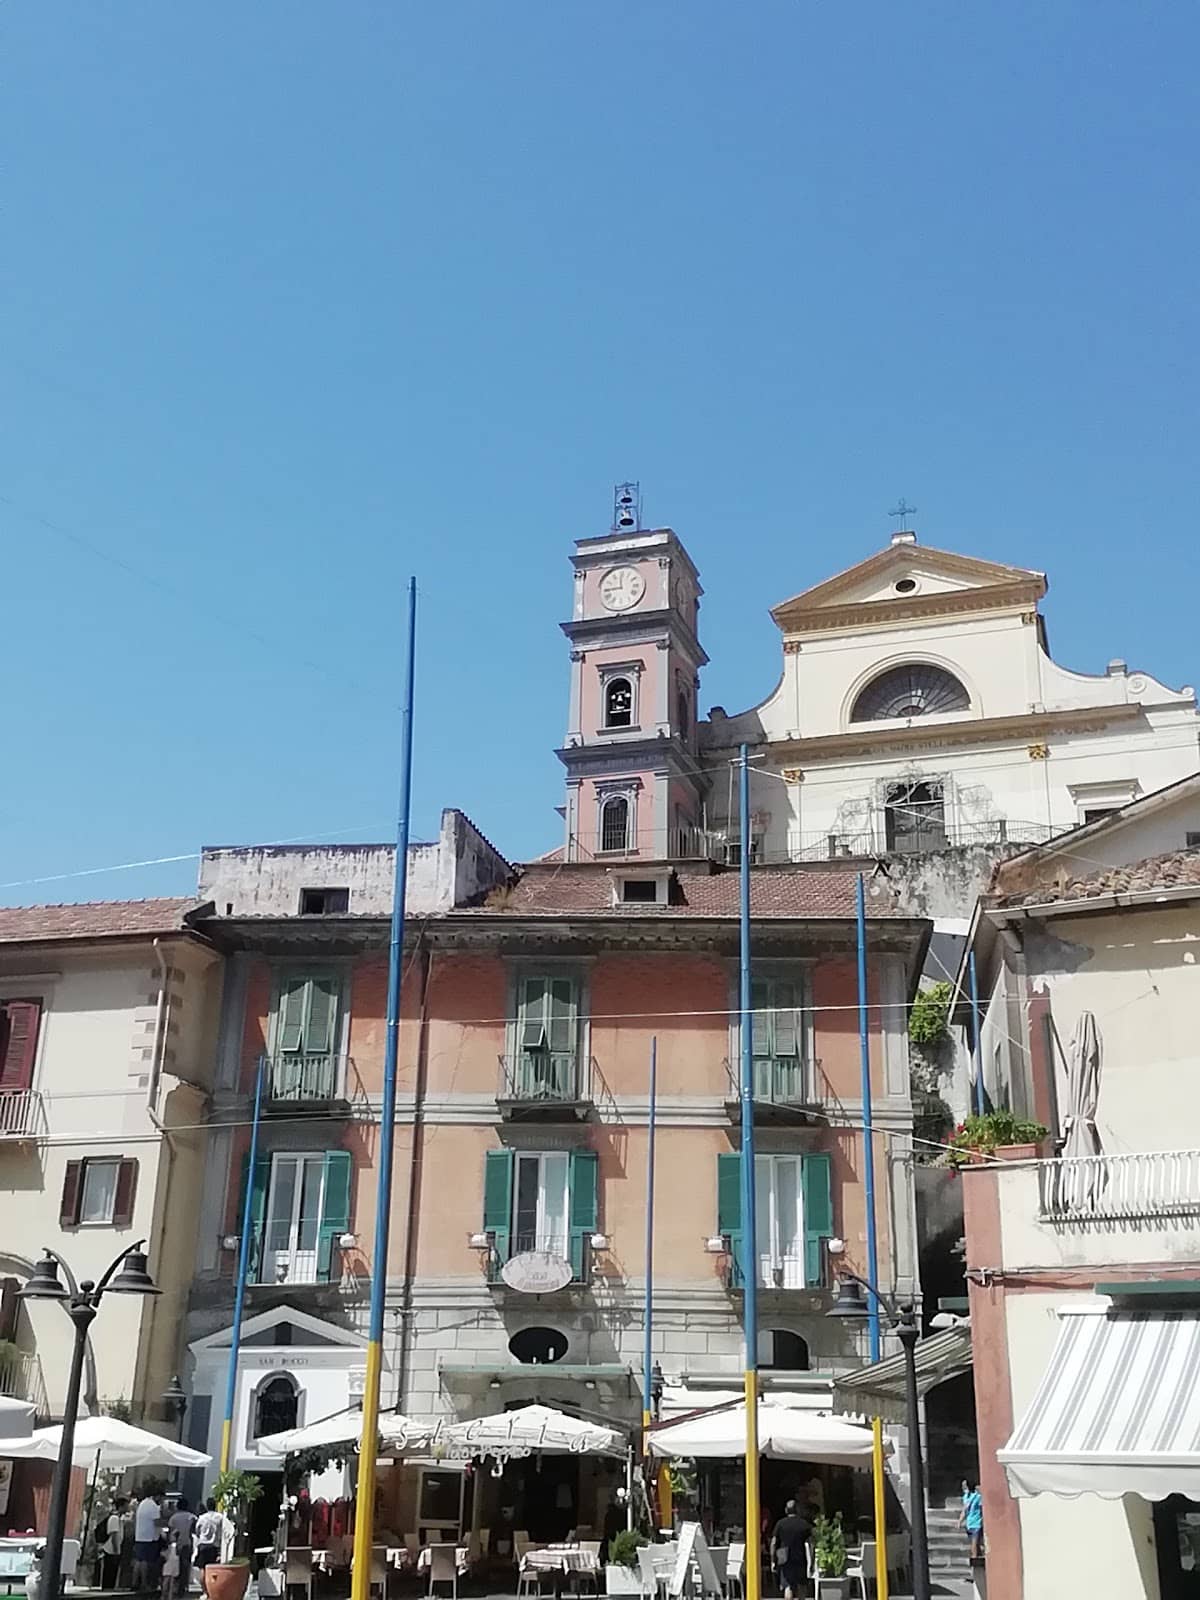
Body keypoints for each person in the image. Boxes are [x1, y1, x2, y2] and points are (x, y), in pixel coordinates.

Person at [771, 1499, 811, 1600]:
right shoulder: (804, 1524)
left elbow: (774, 1542)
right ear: (797, 1509)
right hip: (800, 1558)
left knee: (788, 1586)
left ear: (786, 1510)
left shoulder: (780, 1524)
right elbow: (811, 1544)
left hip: (785, 1558)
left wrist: (773, 1560)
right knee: (801, 1585)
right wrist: (812, 1561)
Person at [133, 1489, 164, 1593]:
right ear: (157, 1496)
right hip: (149, 1538)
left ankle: (134, 1583)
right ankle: (144, 1583)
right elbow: (157, 1522)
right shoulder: (153, 1506)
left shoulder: (142, 1504)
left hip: (140, 1537)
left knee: (139, 1560)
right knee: (146, 1561)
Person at [167, 1498, 196, 1593]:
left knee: (175, 1565)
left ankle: (175, 1584)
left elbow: (170, 1531)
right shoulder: (191, 1517)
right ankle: (184, 1585)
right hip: (187, 1543)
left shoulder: (173, 1518)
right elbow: (194, 1530)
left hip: (176, 1544)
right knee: (185, 1565)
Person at [194, 1498, 226, 1581]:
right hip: (214, 1545)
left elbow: (197, 1530)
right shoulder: (220, 1517)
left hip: (203, 1544)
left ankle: (204, 1590)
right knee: (212, 1570)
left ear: (207, 1506)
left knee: (202, 1569)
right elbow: (223, 1530)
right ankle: (211, 1589)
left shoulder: (202, 1518)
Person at [100, 1497, 129, 1589]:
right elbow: (114, 1536)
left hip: (114, 1550)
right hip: (111, 1551)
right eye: (126, 1506)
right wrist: (117, 1551)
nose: (127, 1508)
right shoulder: (114, 1518)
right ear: (120, 1506)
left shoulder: (119, 1519)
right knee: (109, 1574)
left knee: (113, 1574)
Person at [959, 1480, 984, 1562]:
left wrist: (960, 1521)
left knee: (975, 1543)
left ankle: (975, 1558)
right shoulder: (966, 1497)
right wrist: (960, 1521)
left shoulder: (977, 1497)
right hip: (970, 1523)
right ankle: (976, 1558)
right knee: (975, 1544)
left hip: (976, 1523)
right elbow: (964, 1510)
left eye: (964, 1486)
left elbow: (981, 1509)